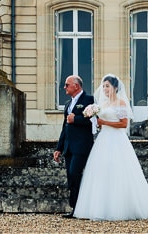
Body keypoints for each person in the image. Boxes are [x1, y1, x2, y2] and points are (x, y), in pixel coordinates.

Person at [73, 74, 148, 221]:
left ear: (114, 87)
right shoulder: (104, 104)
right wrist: (95, 120)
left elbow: (123, 124)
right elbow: (100, 121)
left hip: (117, 139)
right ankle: (100, 206)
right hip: (103, 139)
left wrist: (104, 122)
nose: (105, 89)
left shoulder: (120, 103)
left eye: (107, 86)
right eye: (104, 86)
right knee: (101, 172)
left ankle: (123, 207)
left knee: (120, 171)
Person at [53, 75, 94, 217]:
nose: (64, 87)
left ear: (76, 86)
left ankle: (81, 207)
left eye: (67, 84)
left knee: (75, 173)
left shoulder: (89, 100)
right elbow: (65, 127)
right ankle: (75, 208)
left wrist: (75, 118)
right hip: (69, 146)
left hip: (82, 145)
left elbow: (92, 122)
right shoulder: (67, 104)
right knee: (71, 177)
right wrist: (59, 148)